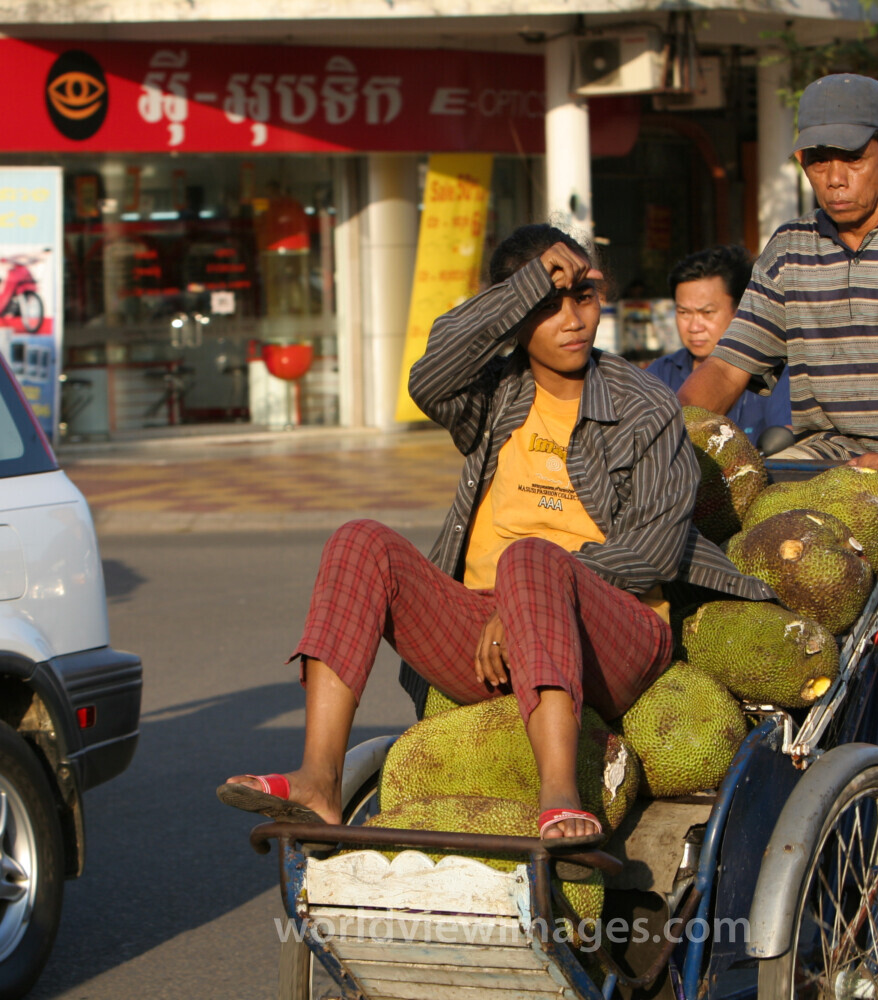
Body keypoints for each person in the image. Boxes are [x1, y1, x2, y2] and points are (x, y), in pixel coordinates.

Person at [218, 224, 770, 841]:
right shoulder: (497, 394)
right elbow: (429, 372)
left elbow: (655, 549)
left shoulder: (645, 406)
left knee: (531, 558)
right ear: (515, 312)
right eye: (549, 303)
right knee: (359, 540)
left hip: (612, 631)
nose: (574, 320)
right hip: (486, 635)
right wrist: (528, 284)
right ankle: (319, 782)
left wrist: (528, 597)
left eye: (584, 297)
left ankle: (561, 795)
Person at [677, 74, 878, 959]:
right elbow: (728, 369)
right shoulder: (790, 250)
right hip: (824, 482)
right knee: (755, 627)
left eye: (850, 157)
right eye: (816, 159)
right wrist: (665, 445)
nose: (832, 176)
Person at [645, 245, 791, 445]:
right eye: (684, 313)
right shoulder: (659, 375)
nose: (694, 327)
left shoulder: (777, 373)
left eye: (707, 313)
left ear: (741, 311)